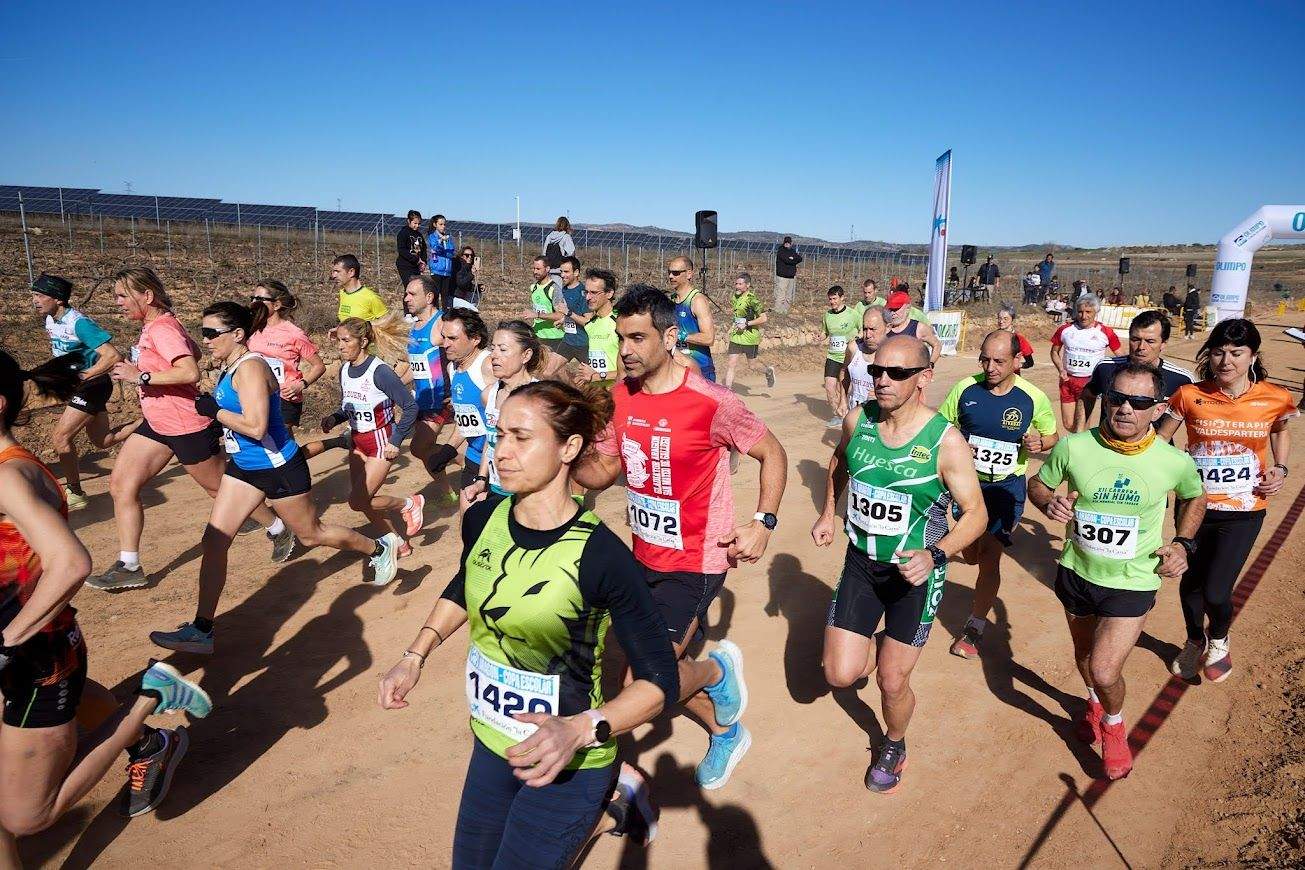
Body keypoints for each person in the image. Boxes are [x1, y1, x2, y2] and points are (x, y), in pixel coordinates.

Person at [378, 380, 679, 868]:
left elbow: (659, 681)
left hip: (569, 762)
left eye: (521, 437)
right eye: (499, 436)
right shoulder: (483, 519)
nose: (502, 452)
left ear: (569, 448)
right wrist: (414, 656)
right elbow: (467, 583)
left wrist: (581, 730)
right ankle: (618, 812)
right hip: (492, 746)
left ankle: (611, 802)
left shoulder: (602, 556)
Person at [573, 284, 788, 790]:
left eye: (638, 338)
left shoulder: (711, 403)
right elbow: (604, 471)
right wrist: (558, 455)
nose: (625, 350)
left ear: (670, 337)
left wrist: (764, 523)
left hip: (696, 560)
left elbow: (772, 453)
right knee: (617, 667)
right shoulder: (619, 397)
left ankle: (715, 674)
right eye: (621, 337)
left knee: (645, 685)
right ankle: (720, 719)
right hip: (642, 554)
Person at [0, 349, 214, 843]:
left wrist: (8, 639)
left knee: (24, 818)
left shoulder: (8, 476)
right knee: (78, 696)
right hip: (49, 641)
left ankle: (151, 701)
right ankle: (146, 735)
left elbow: (71, 562)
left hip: (34, 654)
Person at [150, 303, 402, 654]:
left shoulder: (250, 368)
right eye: (202, 332)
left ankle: (379, 547)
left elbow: (256, 426)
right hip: (244, 468)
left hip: (277, 468)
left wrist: (216, 411)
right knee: (215, 540)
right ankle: (202, 628)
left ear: (237, 334)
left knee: (312, 536)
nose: (205, 340)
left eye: (211, 334)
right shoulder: (231, 365)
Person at [811, 334, 986, 793]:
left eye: (897, 373)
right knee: (840, 675)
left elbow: (977, 515)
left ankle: (893, 741)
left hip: (915, 575)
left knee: (891, 680)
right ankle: (885, 639)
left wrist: (935, 554)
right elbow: (838, 464)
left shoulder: (944, 442)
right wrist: (829, 512)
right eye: (876, 371)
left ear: (924, 378)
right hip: (862, 565)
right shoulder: (857, 421)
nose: (882, 381)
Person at [1030, 363, 1206, 780]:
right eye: (1117, 399)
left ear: (1158, 409)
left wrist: (1182, 543)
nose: (1125, 408)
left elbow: (1194, 498)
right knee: (1085, 657)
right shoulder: (1075, 448)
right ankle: (1093, 704)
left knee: (1106, 669)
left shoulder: (1173, 461)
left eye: (1139, 402)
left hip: (1132, 581)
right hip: (1076, 571)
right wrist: (1047, 503)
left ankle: (1113, 724)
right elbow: (1039, 483)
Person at [87, 268, 287, 591]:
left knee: (222, 491)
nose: (119, 303)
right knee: (122, 484)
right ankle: (129, 564)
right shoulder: (156, 326)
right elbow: (192, 350)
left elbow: (190, 370)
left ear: (146, 296)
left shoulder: (162, 328)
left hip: (185, 425)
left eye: (123, 296)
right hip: (157, 423)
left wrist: (142, 376)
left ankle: (279, 527)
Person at [1157, 319, 1297, 683]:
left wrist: (1280, 468)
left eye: (1236, 353)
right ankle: (1192, 641)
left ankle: (1218, 637)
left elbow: (1281, 429)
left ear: (1252, 356)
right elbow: (1160, 442)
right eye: (1218, 352)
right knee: (1190, 582)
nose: (1225, 361)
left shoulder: (1274, 397)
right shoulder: (1189, 395)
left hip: (1244, 510)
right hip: (1194, 507)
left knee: (1217, 589)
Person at [940, 332, 1058, 659]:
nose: (990, 367)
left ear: (1017, 361)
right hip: (967, 486)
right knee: (971, 553)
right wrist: (961, 441)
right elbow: (940, 427)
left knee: (990, 556)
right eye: (985, 359)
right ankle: (972, 547)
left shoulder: (1032, 397)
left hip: (1007, 488)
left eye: (999, 361)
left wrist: (1040, 444)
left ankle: (975, 626)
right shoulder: (965, 389)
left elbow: (1051, 435)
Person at [319, 317, 425, 555]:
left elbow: (410, 407)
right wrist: (335, 418)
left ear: (363, 341)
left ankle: (408, 503)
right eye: (339, 340)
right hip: (357, 441)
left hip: (380, 442)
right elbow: (349, 405)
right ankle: (399, 543)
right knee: (363, 501)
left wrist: (395, 441)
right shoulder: (345, 369)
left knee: (358, 501)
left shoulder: (381, 372)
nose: (340, 345)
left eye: (346, 340)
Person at [29, 273, 124, 509]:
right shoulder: (51, 320)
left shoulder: (79, 323)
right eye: (33, 295)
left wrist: (84, 375)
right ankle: (151, 425)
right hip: (79, 386)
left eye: (40, 295)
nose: (34, 300)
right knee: (103, 440)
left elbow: (113, 356)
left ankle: (74, 492)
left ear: (58, 299)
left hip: (93, 385)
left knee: (61, 438)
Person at [461, 320, 545, 508]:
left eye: (503, 349)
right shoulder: (488, 394)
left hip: (530, 495)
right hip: (496, 490)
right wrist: (481, 478)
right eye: (493, 348)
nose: (494, 356)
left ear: (526, 355)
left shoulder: (540, 397)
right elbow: (491, 443)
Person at [1075, 310, 1192, 432]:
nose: (1141, 347)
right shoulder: (1105, 368)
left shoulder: (1181, 379)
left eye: (1150, 341)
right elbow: (1087, 396)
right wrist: (1079, 431)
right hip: (1108, 447)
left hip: (1157, 449)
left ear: (1163, 343)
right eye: (1135, 339)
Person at [246, 279, 325, 438]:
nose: (254, 302)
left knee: (280, 443)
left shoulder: (294, 333)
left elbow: (319, 366)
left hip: (284, 396)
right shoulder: (251, 328)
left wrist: (301, 385)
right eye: (253, 298)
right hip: (256, 393)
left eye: (260, 299)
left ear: (276, 305)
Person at [442, 308, 497, 493]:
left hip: (498, 461)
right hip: (474, 456)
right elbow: (466, 419)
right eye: (444, 337)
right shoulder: (453, 368)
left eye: (453, 338)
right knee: (468, 520)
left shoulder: (488, 365)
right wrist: (449, 449)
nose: (445, 344)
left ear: (475, 339)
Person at [1050, 294, 1121, 432]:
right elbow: (1054, 352)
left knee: (1081, 426)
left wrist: (1106, 375)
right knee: (1068, 424)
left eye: (1088, 312)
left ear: (1096, 312)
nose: (1083, 316)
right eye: (1081, 311)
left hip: (1089, 384)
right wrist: (1061, 369)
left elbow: (1121, 356)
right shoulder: (1065, 329)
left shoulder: (1106, 332)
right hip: (1067, 381)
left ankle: (1080, 450)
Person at [670, 256, 717, 383]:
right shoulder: (671, 300)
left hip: (700, 371)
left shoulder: (697, 300)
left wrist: (681, 336)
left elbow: (709, 338)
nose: (670, 276)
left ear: (689, 273)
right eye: (669, 272)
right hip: (677, 370)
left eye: (676, 273)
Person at [724, 272, 774, 391]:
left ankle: (768, 371)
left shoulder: (753, 300)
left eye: (740, 284)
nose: (737, 286)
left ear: (748, 285)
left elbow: (764, 318)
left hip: (750, 338)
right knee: (731, 364)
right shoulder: (735, 297)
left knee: (752, 366)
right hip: (736, 337)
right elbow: (737, 315)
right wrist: (731, 329)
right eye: (736, 283)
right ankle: (727, 392)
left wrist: (746, 324)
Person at [822, 285, 860, 427]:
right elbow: (824, 332)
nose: (832, 302)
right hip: (832, 356)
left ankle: (850, 411)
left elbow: (863, 329)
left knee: (845, 388)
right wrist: (819, 337)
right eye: (830, 299)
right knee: (829, 387)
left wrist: (857, 338)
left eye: (835, 298)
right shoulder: (827, 315)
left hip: (848, 357)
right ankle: (838, 415)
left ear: (842, 298)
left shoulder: (853, 314)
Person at [551, 256, 594, 375]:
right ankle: (569, 391)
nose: (562, 275)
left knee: (593, 380)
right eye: (561, 272)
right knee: (548, 372)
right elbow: (569, 313)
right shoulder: (564, 290)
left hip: (584, 344)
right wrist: (563, 320)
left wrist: (568, 313)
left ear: (576, 273)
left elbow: (588, 322)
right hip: (568, 341)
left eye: (566, 272)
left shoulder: (583, 293)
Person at [523, 255, 566, 373]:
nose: (535, 272)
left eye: (538, 269)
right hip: (538, 336)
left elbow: (560, 315)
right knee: (538, 370)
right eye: (534, 269)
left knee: (556, 373)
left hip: (554, 337)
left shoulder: (553, 289)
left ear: (547, 269)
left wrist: (536, 314)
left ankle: (572, 389)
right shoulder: (533, 288)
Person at [842, 305, 888, 412]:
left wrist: (883, 395)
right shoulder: (853, 348)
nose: (867, 335)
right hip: (855, 414)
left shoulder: (896, 355)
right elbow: (844, 372)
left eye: (873, 329)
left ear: (888, 327)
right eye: (865, 329)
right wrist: (842, 400)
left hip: (882, 417)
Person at [583, 268, 620, 385]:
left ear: (609, 293)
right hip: (597, 395)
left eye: (593, 293)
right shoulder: (590, 324)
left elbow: (630, 371)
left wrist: (597, 376)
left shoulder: (620, 323)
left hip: (617, 395)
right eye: (586, 292)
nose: (588, 297)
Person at [884, 289, 941, 363]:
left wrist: (930, 364)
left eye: (896, 309)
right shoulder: (883, 327)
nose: (892, 313)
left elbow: (937, 345)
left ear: (907, 308)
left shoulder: (919, 328)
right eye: (890, 309)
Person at [331, 254, 388, 326]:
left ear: (351, 272)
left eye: (337, 271)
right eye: (333, 272)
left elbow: (388, 323)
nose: (333, 276)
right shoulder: (342, 293)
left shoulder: (371, 297)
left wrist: (365, 326)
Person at [427, 215, 457, 310]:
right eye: (440, 224)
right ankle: (434, 312)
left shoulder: (448, 238)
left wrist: (444, 250)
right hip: (437, 269)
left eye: (444, 224)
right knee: (435, 293)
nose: (443, 226)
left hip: (447, 270)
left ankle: (445, 313)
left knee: (445, 294)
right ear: (435, 224)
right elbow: (435, 248)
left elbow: (451, 251)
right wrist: (440, 242)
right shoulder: (432, 237)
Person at [995, 303, 1034, 369]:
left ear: (1012, 320)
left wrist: (1017, 365)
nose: (1001, 321)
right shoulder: (992, 337)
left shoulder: (1019, 339)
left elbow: (1030, 362)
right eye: (999, 318)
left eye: (1005, 319)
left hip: (1012, 376)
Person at [542, 216, 576, 291]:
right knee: (558, 293)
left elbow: (544, 253)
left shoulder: (549, 236)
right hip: (559, 269)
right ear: (567, 226)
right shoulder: (566, 237)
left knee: (548, 291)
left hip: (548, 269)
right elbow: (572, 253)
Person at [396, 210, 428, 289]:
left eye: (419, 224)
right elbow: (402, 250)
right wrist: (416, 259)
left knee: (416, 289)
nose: (417, 226)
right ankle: (407, 301)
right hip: (405, 265)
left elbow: (423, 249)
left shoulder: (419, 235)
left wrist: (423, 261)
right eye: (415, 223)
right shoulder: (403, 233)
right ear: (409, 221)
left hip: (416, 266)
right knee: (410, 287)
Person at [773, 236, 803, 314]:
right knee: (781, 295)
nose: (787, 244)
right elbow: (786, 260)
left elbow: (800, 258)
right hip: (782, 276)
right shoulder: (781, 251)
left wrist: (792, 258)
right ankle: (777, 310)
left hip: (791, 277)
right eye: (786, 242)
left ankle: (785, 310)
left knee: (788, 296)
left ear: (791, 243)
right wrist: (793, 260)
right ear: (784, 243)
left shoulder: (792, 251)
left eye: (788, 243)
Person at [452, 245, 480, 310]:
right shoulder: (459, 266)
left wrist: (478, 287)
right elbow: (461, 283)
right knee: (473, 310)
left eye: (472, 255)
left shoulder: (467, 267)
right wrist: (471, 274)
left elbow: (467, 285)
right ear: (461, 256)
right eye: (467, 255)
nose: (470, 257)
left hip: (461, 295)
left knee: (476, 298)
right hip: (455, 297)